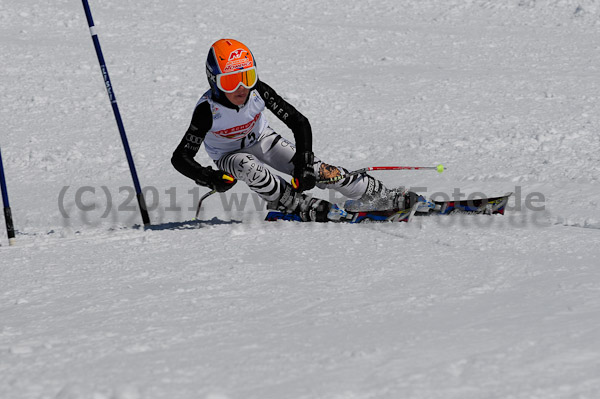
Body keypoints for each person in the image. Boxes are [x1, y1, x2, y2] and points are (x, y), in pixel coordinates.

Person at [171, 38, 428, 222]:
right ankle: (290, 203)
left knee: (321, 170)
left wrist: (304, 163)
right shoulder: (208, 111)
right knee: (248, 166)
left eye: (247, 78)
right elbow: (180, 157)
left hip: (263, 140)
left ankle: (380, 196)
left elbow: (299, 122)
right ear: (213, 81)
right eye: (229, 81)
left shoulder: (259, 91)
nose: (241, 89)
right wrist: (209, 177)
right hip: (229, 156)